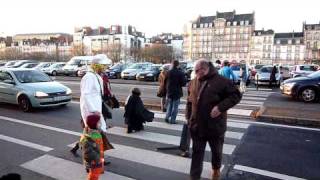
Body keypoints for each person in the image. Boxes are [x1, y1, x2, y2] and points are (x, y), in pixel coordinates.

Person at [186, 59, 242, 180]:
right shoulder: (192, 83)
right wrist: (189, 119)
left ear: (205, 69)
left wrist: (220, 107)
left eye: (197, 71)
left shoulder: (222, 81)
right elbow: (189, 102)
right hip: (197, 126)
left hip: (215, 127)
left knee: (216, 152)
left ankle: (216, 169)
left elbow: (236, 95)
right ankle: (194, 177)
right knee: (197, 153)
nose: (195, 74)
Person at [70, 56, 110, 164]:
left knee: (92, 134)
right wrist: (93, 111)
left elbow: (97, 93)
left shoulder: (96, 76)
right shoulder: (89, 77)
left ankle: (80, 149)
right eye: (104, 66)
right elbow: (86, 95)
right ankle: (97, 159)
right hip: (91, 112)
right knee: (95, 135)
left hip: (96, 109)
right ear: (97, 65)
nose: (106, 68)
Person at [80, 113, 104, 180]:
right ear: (95, 124)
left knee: (94, 174)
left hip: (96, 158)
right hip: (95, 160)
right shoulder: (95, 136)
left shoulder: (88, 131)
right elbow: (88, 152)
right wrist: (97, 160)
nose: (101, 123)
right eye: (99, 122)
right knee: (94, 175)